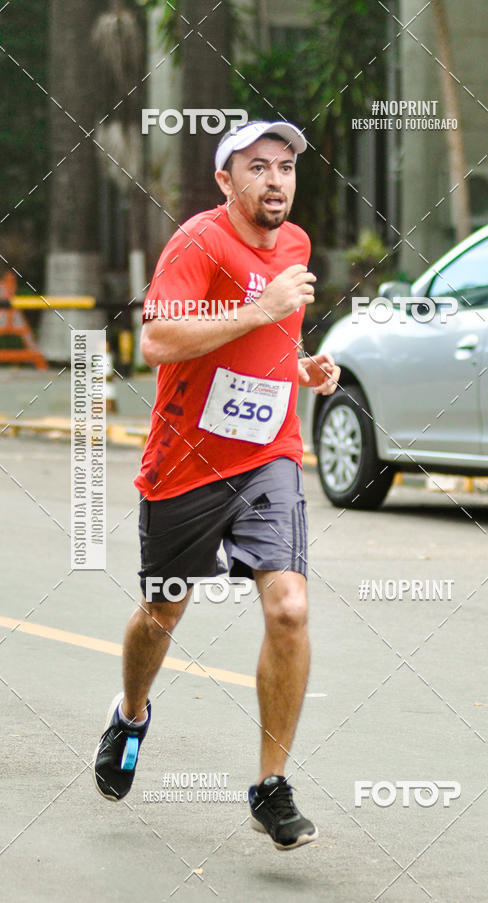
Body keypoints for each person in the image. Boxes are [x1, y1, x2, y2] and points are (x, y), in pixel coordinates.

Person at [93, 120, 340, 851]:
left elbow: (266, 341)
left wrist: (299, 366)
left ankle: (270, 786)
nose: (275, 180)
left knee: (289, 607)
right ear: (225, 182)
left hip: (269, 456)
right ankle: (132, 713)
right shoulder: (198, 244)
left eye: (286, 167)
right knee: (162, 611)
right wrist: (261, 308)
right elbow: (158, 340)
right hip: (185, 463)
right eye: (257, 167)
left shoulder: (293, 246)